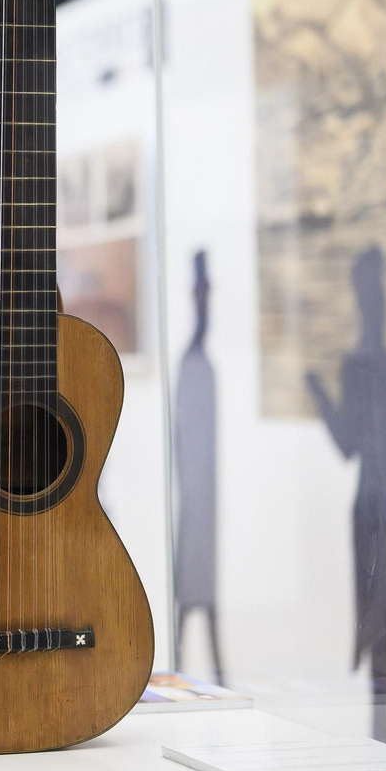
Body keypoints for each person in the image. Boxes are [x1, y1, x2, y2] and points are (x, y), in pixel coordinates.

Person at [305, 245, 386, 744]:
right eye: (369, 288)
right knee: (374, 617)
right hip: (367, 510)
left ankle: (384, 727)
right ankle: (379, 728)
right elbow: (350, 445)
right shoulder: (360, 366)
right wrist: (320, 398)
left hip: (380, 509)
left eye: (378, 287)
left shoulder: (384, 364)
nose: (375, 298)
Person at [173, 249, 225, 683]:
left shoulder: (199, 365)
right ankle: (182, 665)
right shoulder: (192, 366)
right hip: (194, 501)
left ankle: (212, 669)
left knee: (202, 594)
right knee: (191, 593)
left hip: (202, 501)